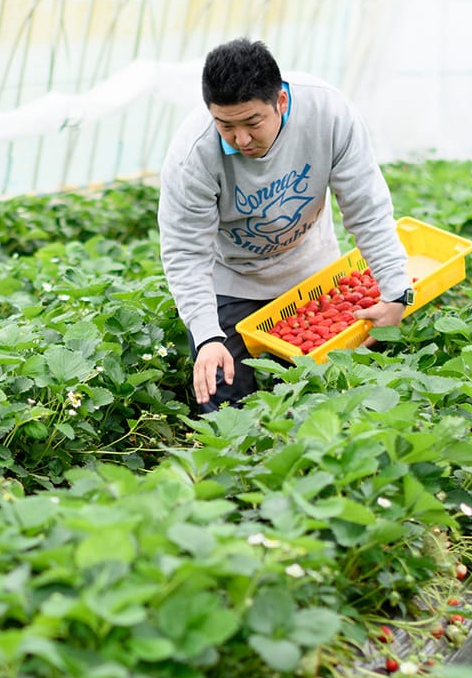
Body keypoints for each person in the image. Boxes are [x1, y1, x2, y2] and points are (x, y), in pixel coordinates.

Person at [158, 38, 414, 414]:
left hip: (311, 271)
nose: (241, 139)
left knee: (321, 399)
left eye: (252, 123)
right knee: (225, 405)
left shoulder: (327, 113)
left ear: (280, 102)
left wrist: (396, 293)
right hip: (233, 280)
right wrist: (207, 336)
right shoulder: (192, 155)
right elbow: (185, 252)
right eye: (225, 125)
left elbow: (367, 209)